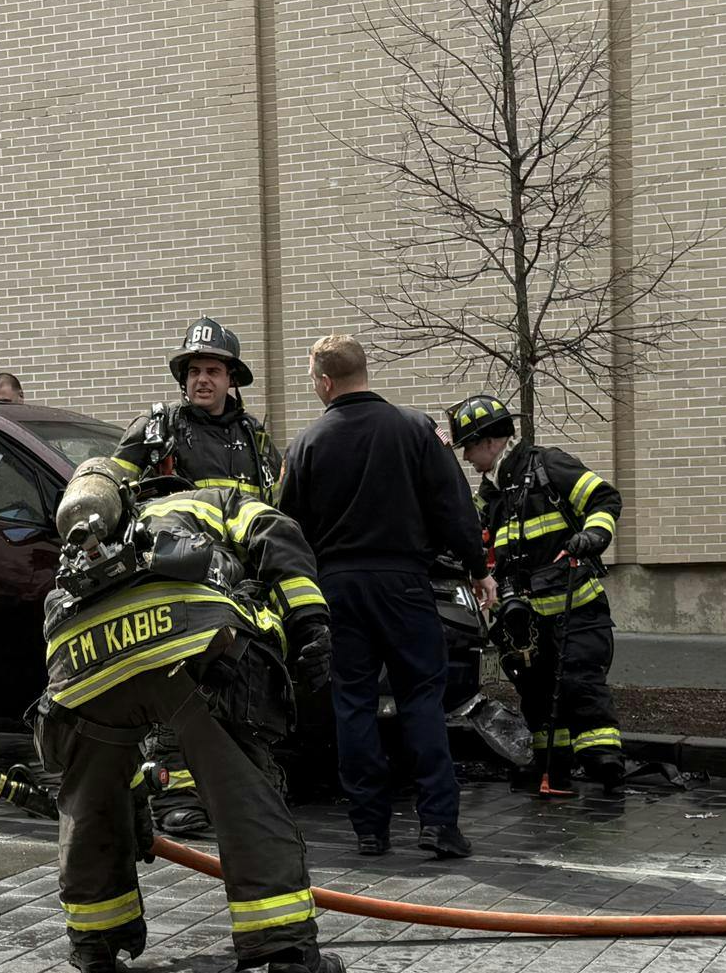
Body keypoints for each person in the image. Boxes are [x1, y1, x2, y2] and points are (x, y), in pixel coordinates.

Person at [31, 458, 343, 973]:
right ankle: (291, 959)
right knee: (242, 791)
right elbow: (275, 533)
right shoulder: (213, 501)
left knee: (92, 798)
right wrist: (308, 620)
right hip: (192, 644)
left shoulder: (94, 543)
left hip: (81, 663)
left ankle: (96, 943)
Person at [278, 334, 494, 859]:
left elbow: (287, 528)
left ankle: (369, 830)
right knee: (422, 699)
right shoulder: (416, 429)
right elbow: (453, 505)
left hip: (337, 588)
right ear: (364, 372)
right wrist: (478, 569)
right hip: (405, 584)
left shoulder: (306, 444)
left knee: (353, 703)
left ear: (325, 382)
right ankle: (438, 824)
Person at [111, 316, 285, 836]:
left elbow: (274, 512)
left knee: (244, 682)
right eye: (193, 371)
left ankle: (243, 787)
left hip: (242, 582)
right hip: (177, 577)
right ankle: (176, 793)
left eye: (212, 370)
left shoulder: (255, 440)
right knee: (179, 681)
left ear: (231, 379)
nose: (202, 380)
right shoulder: (157, 429)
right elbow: (110, 494)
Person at [450, 393, 625, 797]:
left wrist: (594, 535)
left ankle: (605, 761)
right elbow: (469, 535)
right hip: (525, 622)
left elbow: (604, 498)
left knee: (581, 682)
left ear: (490, 441)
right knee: (537, 692)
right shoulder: (491, 494)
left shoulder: (548, 465)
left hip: (575, 607)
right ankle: (551, 765)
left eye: (469, 447)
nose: (467, 457)